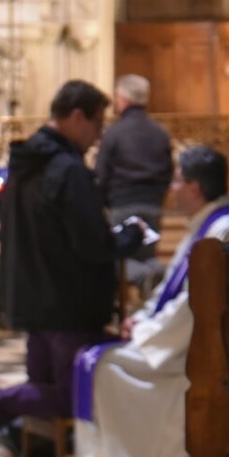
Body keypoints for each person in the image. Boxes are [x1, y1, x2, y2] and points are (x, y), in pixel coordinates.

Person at [0, 79, 144, 457]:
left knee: (45, 386)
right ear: (76, 117)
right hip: (66, 301)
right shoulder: (66, 170)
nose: (99, 135)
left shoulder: (23, 165)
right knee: (66, 394)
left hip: (30, 296)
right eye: (97, 124)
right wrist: (128, 238)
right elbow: (91, 245)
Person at [74, 145, 229, 457]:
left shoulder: (226, 230)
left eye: (176, 181)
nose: (171, 188)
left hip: (204, 348)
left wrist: (145, 331)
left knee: (103, 365)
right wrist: (141, 320)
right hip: (181, 337)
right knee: (93, 358)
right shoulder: (206, 227)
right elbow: (168, 294)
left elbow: (196, 305)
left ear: (195, 188)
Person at [94, 74, 174, 299]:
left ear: (122, 100)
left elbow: (101, 173)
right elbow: (169, 170)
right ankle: (154, 280)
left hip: (122, 205)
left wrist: (103, 204)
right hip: (153, 206)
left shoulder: (114, 133)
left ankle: (146, 277)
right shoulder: (160, 132)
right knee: (148, 254)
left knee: (119, 259)